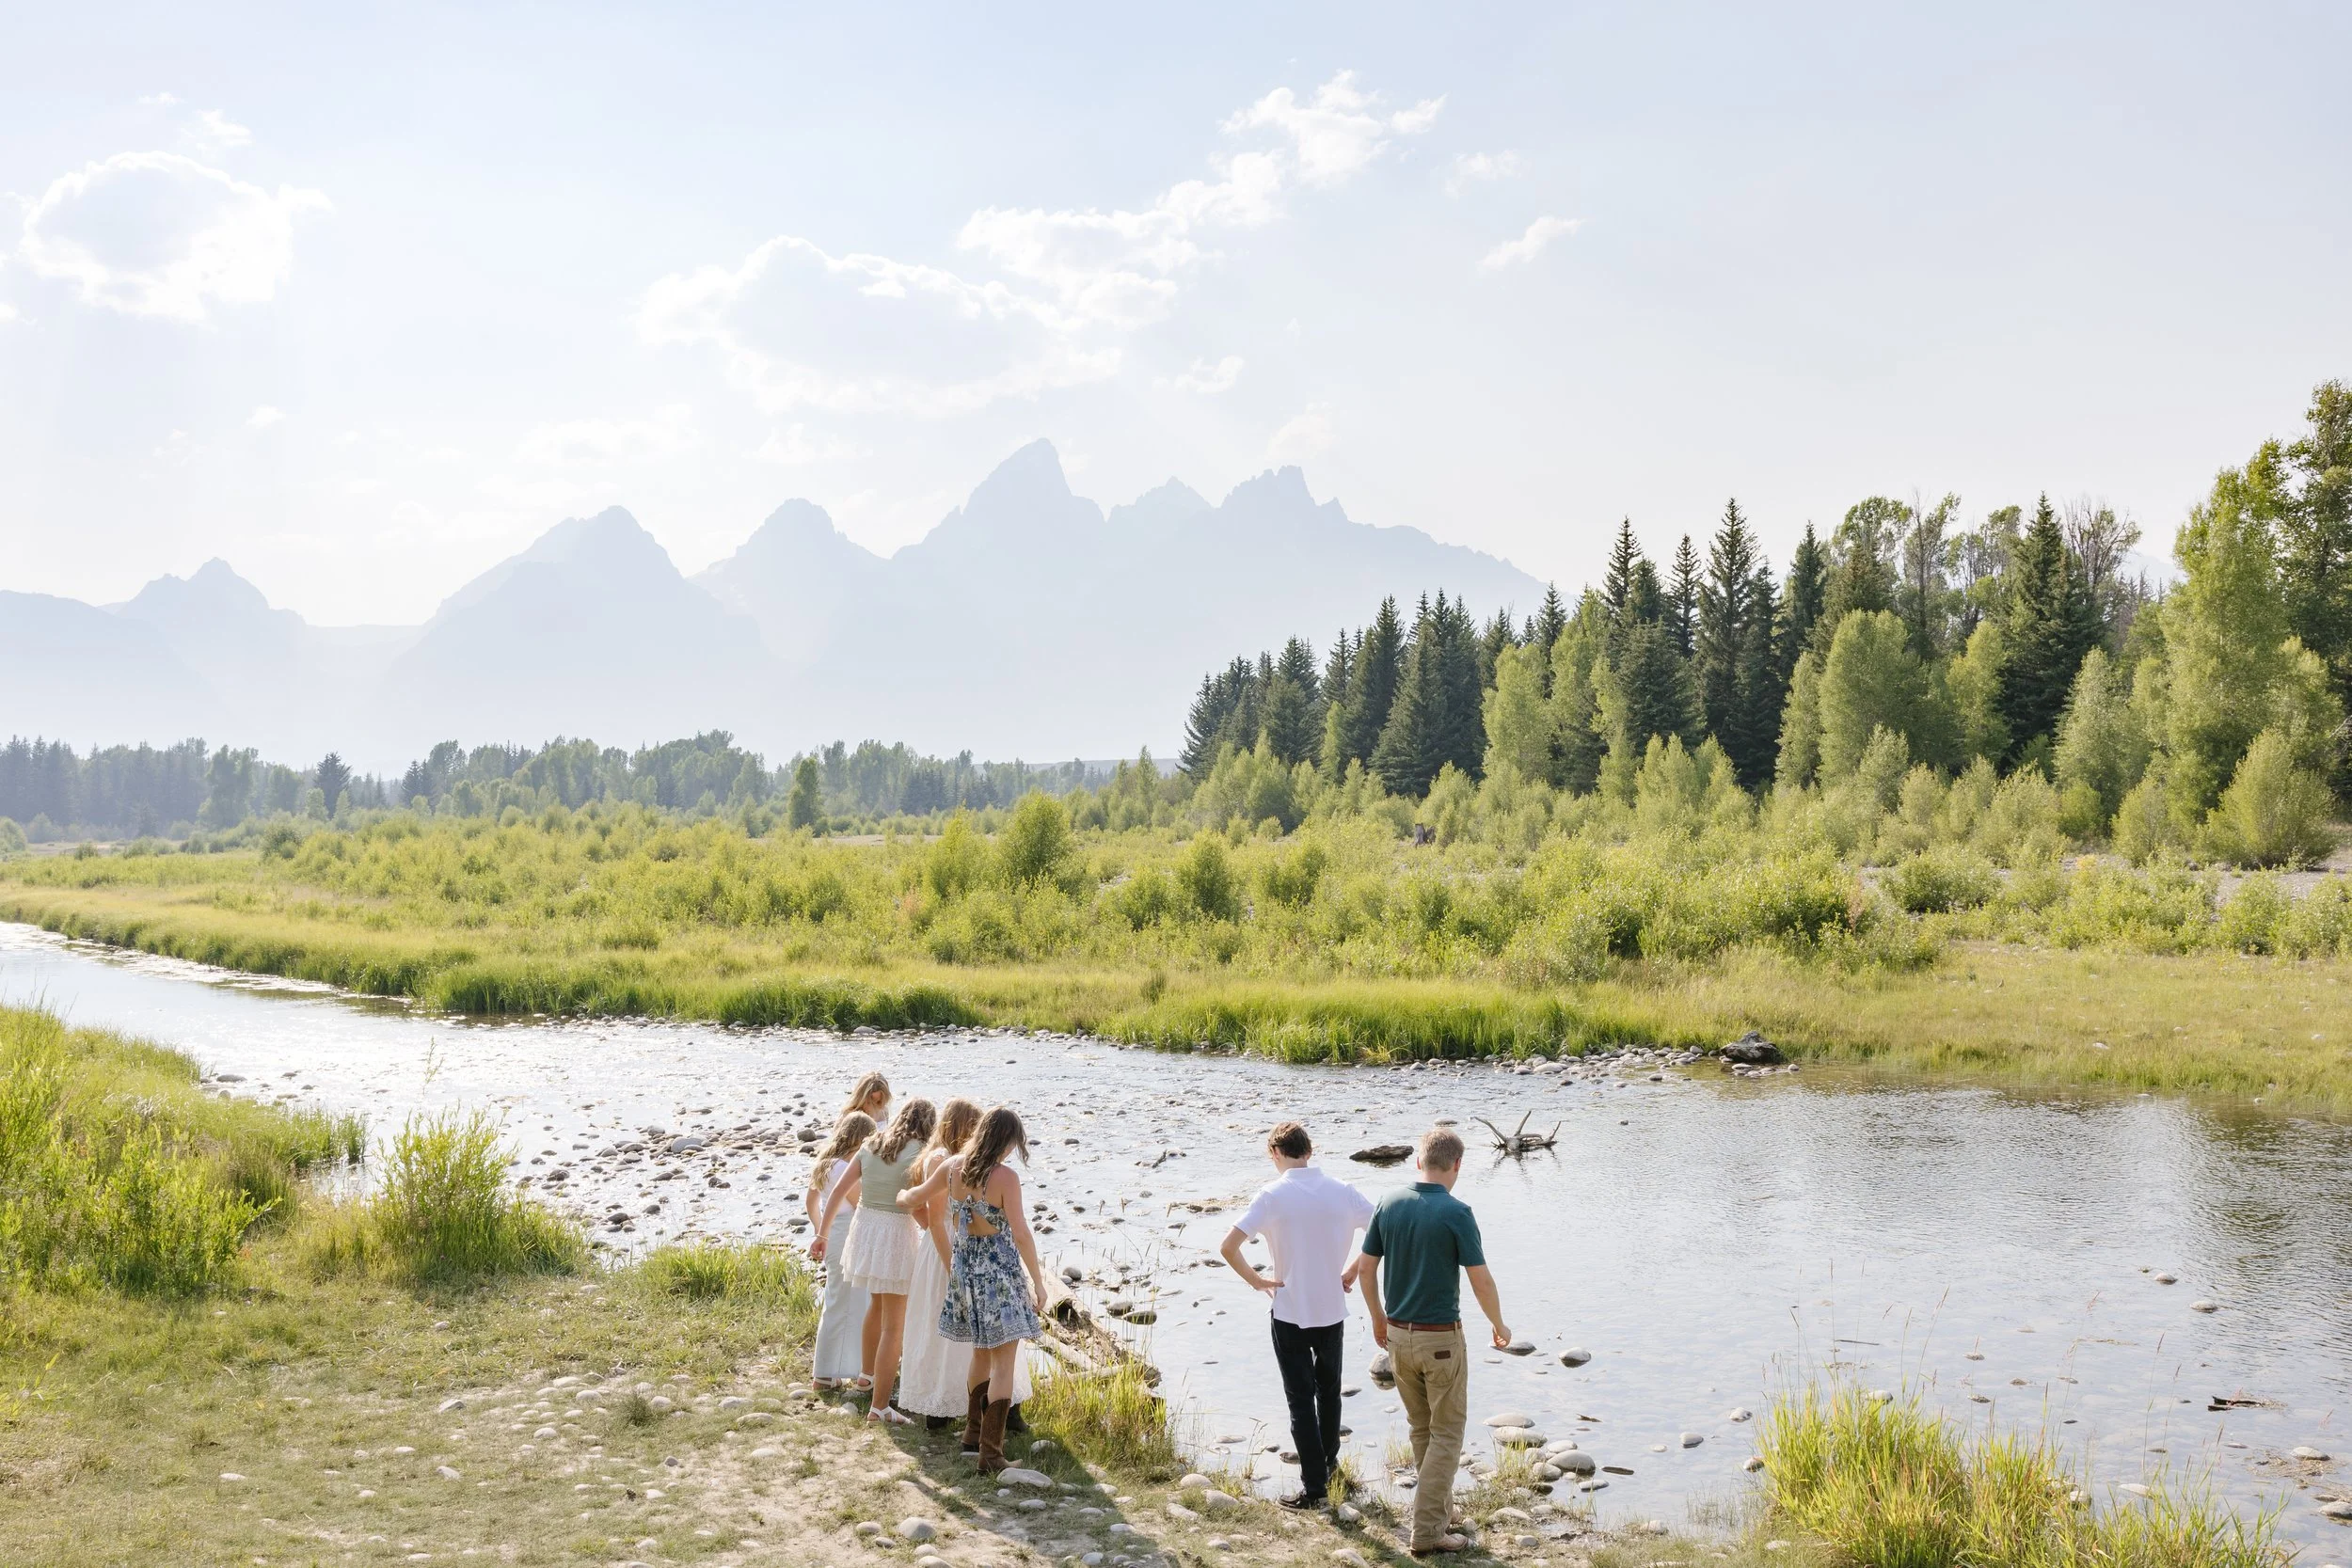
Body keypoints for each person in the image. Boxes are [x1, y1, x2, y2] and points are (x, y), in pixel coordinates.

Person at [1354, 1128, 1511, 1558]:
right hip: (1440, 1340)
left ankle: (1438, 1510)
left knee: (1422, 1428)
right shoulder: (1457, 1212)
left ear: (1418, 1161)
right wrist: (1499, 1323)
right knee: (1446, 1433)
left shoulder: (1388, 1202)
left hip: (1398, 1337)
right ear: (1457, 1165)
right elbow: (1479, 1279)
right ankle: (1427, 1533)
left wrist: (1377, 1317)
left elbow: (1366, 1269)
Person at [1219, 1120, 1375, 1512]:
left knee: (1300, 1401)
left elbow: (1228, 1247)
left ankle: (1315, 1490)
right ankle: (1330, 1465)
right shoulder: (1343, 1191)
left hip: (1288, 1308)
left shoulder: (1272, 1195)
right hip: (1332, 1309)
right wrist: (1354, 1269)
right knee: (1330, 1391)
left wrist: (1256, 1280)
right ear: (1310, 1150)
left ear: (1275, 1153)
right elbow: (1383, 1230)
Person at [900, 1104, 1046, 1473]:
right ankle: (991, 1455)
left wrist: (895, 1199)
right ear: (1006, 1140)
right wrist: (1039, 1283)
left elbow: (913, 1197)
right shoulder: (1005, 1178)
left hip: (966, 1275)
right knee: (1003, 1363)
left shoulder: (952, 1169)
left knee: (981, 1354)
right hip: (999, 1277)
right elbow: (1022, 1234)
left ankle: (971, 1435)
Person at [814, 1097, 936, 1423]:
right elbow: (916, 1206)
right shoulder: (920, 1154)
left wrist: (822, 1235)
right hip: (895, 1232)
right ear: (928, 1126)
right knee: (894, 1323)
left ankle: (867, 1377)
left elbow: (839, 1190)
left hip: (865, 1229)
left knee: (876, 1307)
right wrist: (935, 1235)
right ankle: (880, 1406)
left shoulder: (871, 1143)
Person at [804, 1110, 877, 1390]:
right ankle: (830, 1372)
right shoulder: (841, 1168)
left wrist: (820, 1229)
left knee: (837, 1301)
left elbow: (811, 1202)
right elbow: (860, 1200)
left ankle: (830, 1371)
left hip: (834, 1231)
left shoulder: (824, 1164)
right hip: (846, 1232)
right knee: (849, 1302)